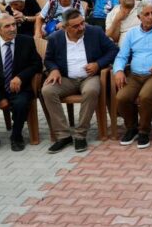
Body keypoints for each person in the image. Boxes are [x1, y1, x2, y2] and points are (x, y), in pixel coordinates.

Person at [42, 9, 120, 153]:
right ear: (65, 27)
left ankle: (80, 134)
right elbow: (49, 59)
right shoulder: (55, 38)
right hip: (66, 78)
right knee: (47, 91)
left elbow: (113, 51)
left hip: (89, 77)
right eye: (76, 26)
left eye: (82, 23)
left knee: (91, 90)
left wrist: (98, 64)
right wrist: (53, 69)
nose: (81, 28)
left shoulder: (94, 32)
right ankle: (63, 135)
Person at [0, 15, 41, 153]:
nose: (12, 29)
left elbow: (37, 64)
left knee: (21, 104)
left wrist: (20, 77)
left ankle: (16, 136)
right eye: (7, 26)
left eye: (13, 25)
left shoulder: (26, 42)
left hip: (19, 88)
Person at [112, 1, 152, 149]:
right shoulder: (131, 34)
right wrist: (119, 70)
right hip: (135, 75)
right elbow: (122, 56)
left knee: (146, 96)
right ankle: (131, 128)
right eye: (146, 14)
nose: (151, 17)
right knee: (121, 97)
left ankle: (144, 131)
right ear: (139, 17)